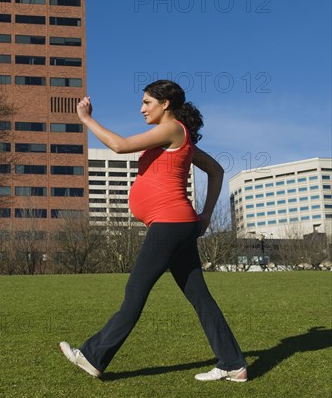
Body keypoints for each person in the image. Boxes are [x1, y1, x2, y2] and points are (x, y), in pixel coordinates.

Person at [59, 80, 248, 382]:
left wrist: (86, 119)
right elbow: (216, 170)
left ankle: (93, 356)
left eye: (147, 102)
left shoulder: (172, 129)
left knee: (135, 291)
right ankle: (233, 363)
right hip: (178, 224)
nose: (141, 108)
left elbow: (119, 146)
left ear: (166, 105)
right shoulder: (175, 138)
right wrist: (205, 215)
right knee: (200, 297)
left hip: (170, 225)